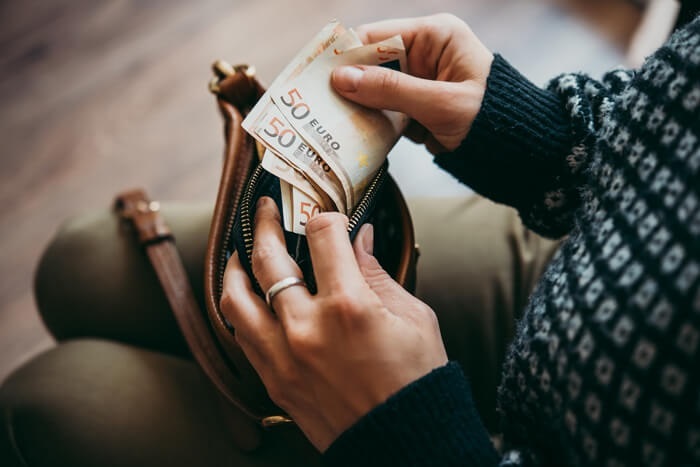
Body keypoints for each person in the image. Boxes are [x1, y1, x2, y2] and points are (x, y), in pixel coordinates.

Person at [1, 7, 698, 467]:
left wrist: (409, 434)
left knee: (53, 403)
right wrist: (545, 138)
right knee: (83, 261)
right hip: (572, 262)